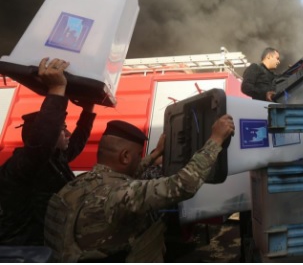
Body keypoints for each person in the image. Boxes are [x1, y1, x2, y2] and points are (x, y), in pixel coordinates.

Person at [44, 115, 235, 262]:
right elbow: (183, 185)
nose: (139, 159)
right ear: (125, 157)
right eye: (137, 155)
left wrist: (155, 154)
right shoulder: (117, 194)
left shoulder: (79, 184)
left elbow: (124, 177)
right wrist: (215, 140)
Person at [0, 57, 96, 246]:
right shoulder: (22, 165)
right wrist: (57, 90)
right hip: (23, 251)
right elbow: (43, 140)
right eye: (62, 128)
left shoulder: (54, 159)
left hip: (46, 245)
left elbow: (76, 142)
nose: (67, 133)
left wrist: (88, 109)